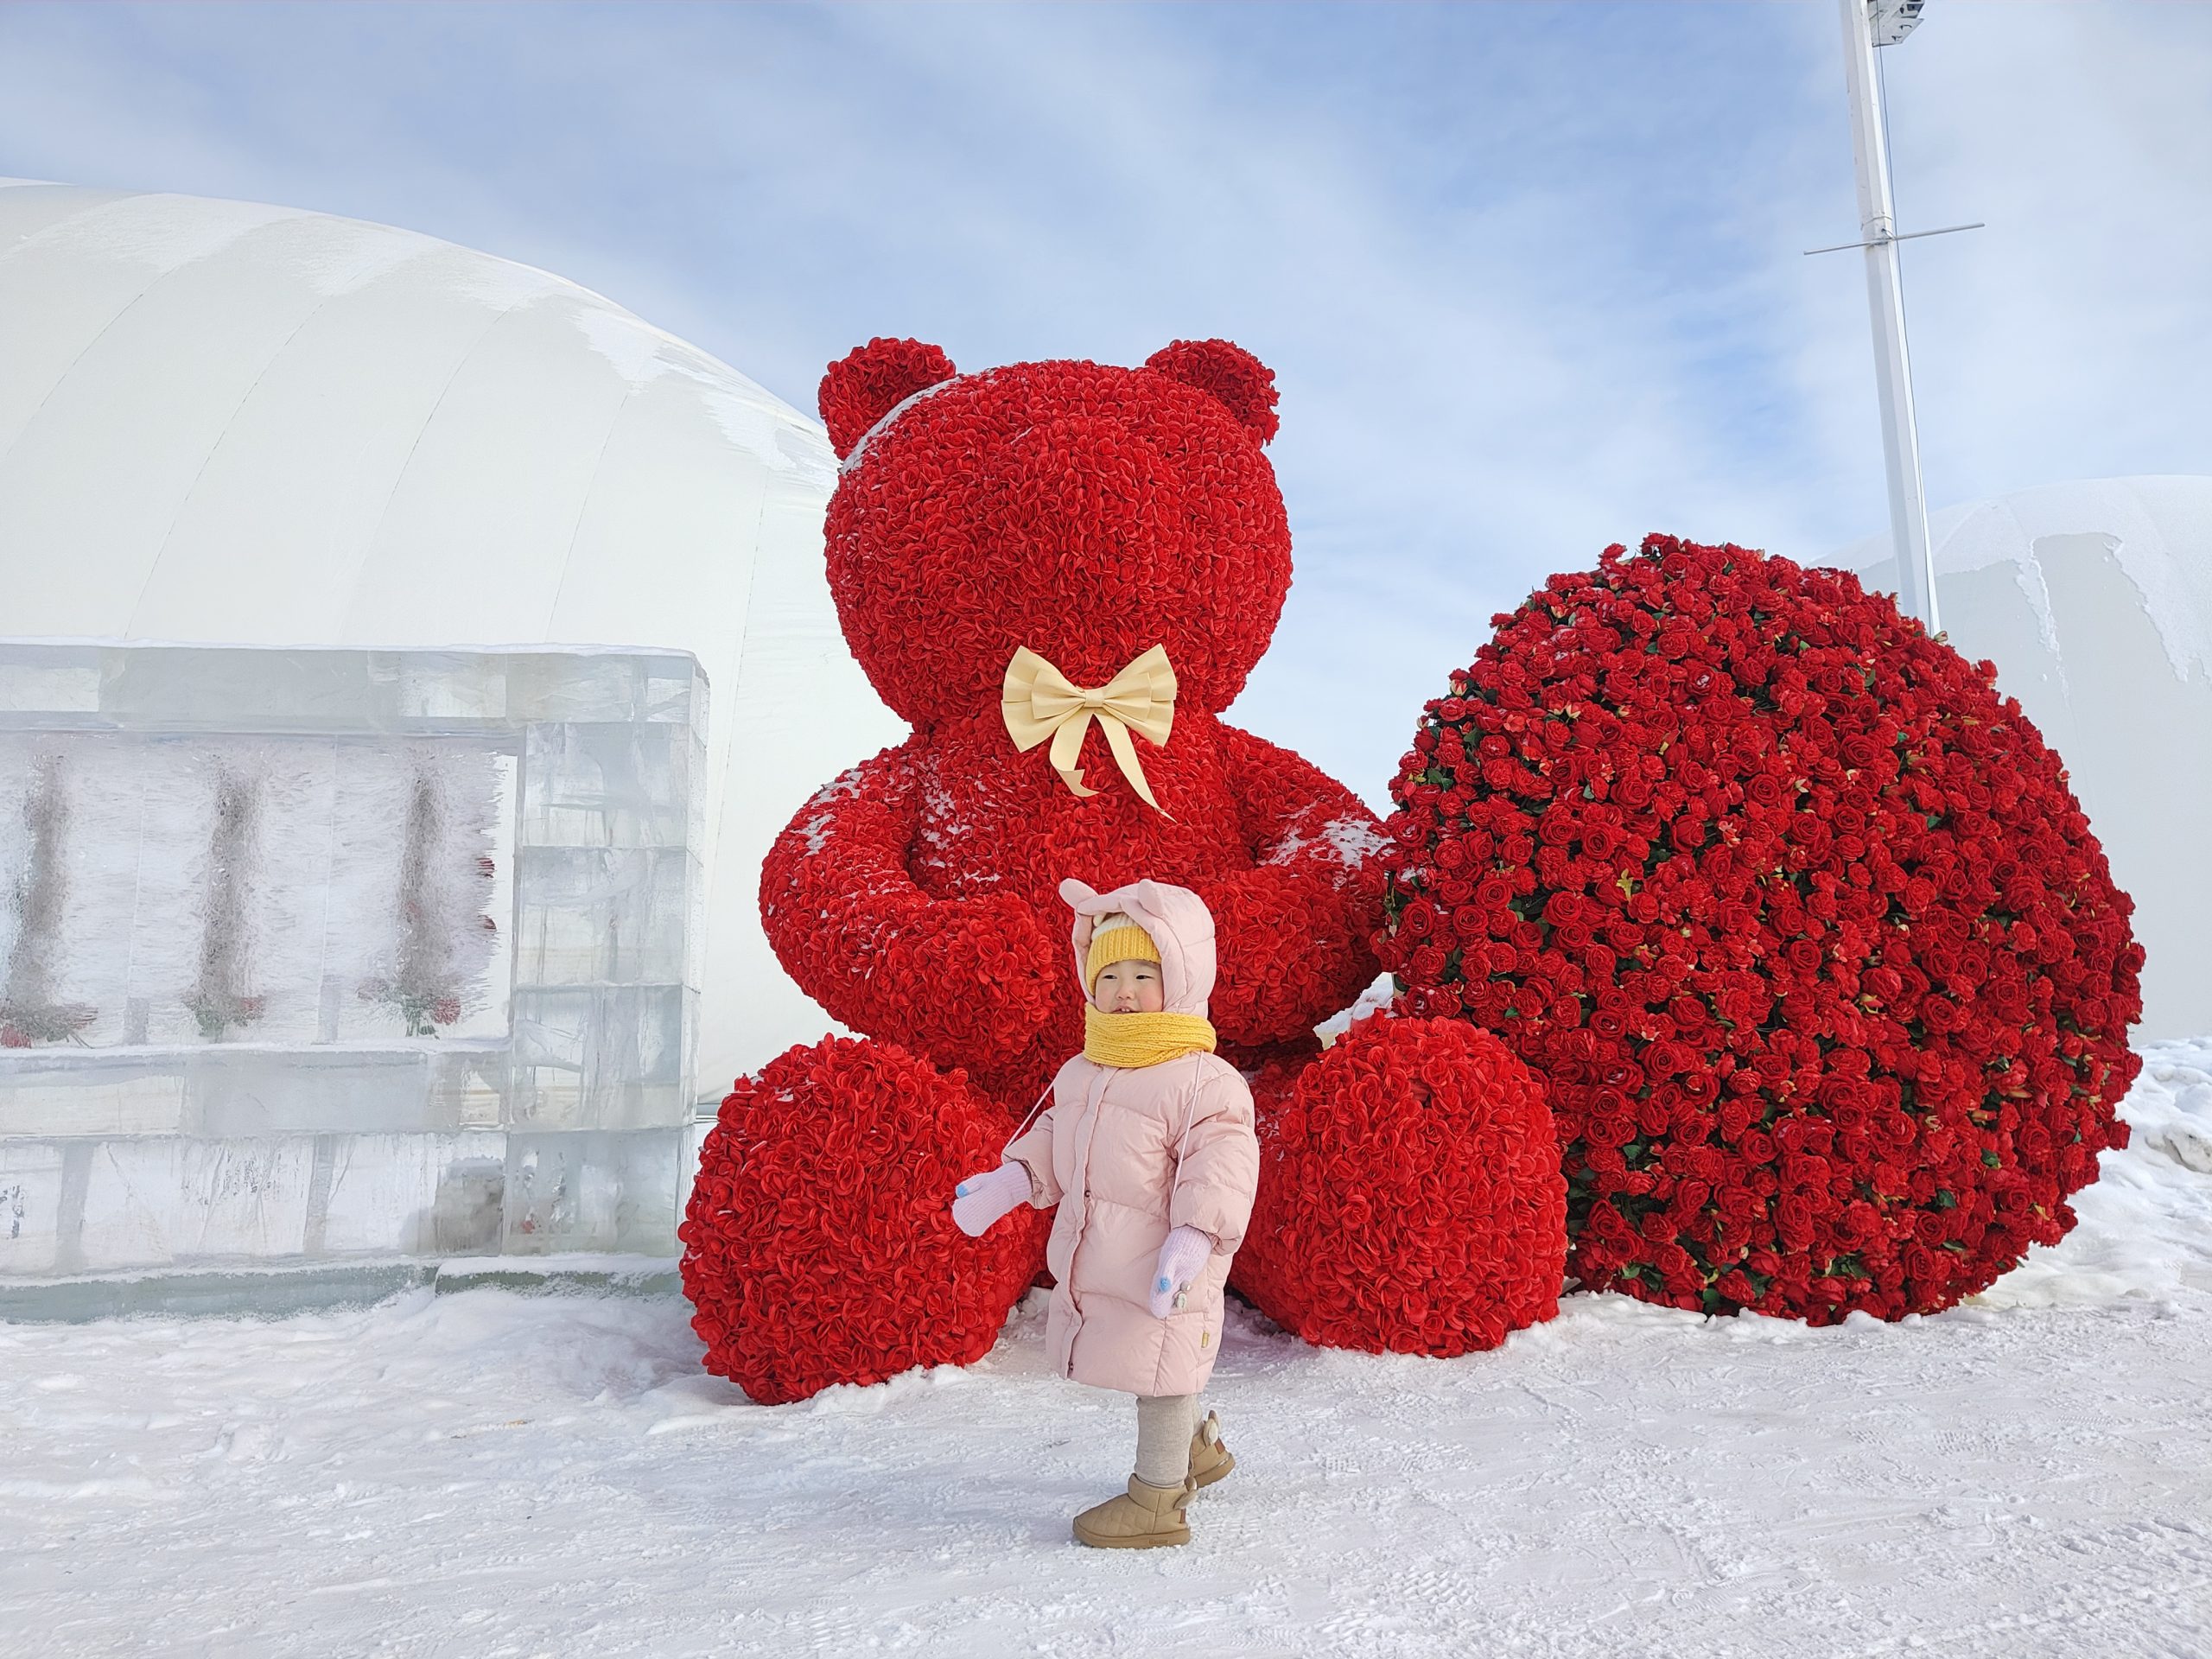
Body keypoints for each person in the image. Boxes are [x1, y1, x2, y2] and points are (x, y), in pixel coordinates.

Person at [950, 877, 1261, 1549]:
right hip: (1110, 1253)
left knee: (1163, 1371)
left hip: (1170, 1261)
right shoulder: (1084, 1070)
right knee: (1155, 1363)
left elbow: (1223, 1164)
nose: (1124, 989)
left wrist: (1193, 1237)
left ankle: (1157, 1499)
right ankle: (1196, 1452)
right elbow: (1056, 1136)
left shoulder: (1203, 1080)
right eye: (1109, 972)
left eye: (1144, 973)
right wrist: (1012, 1180)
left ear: (1182, 977)